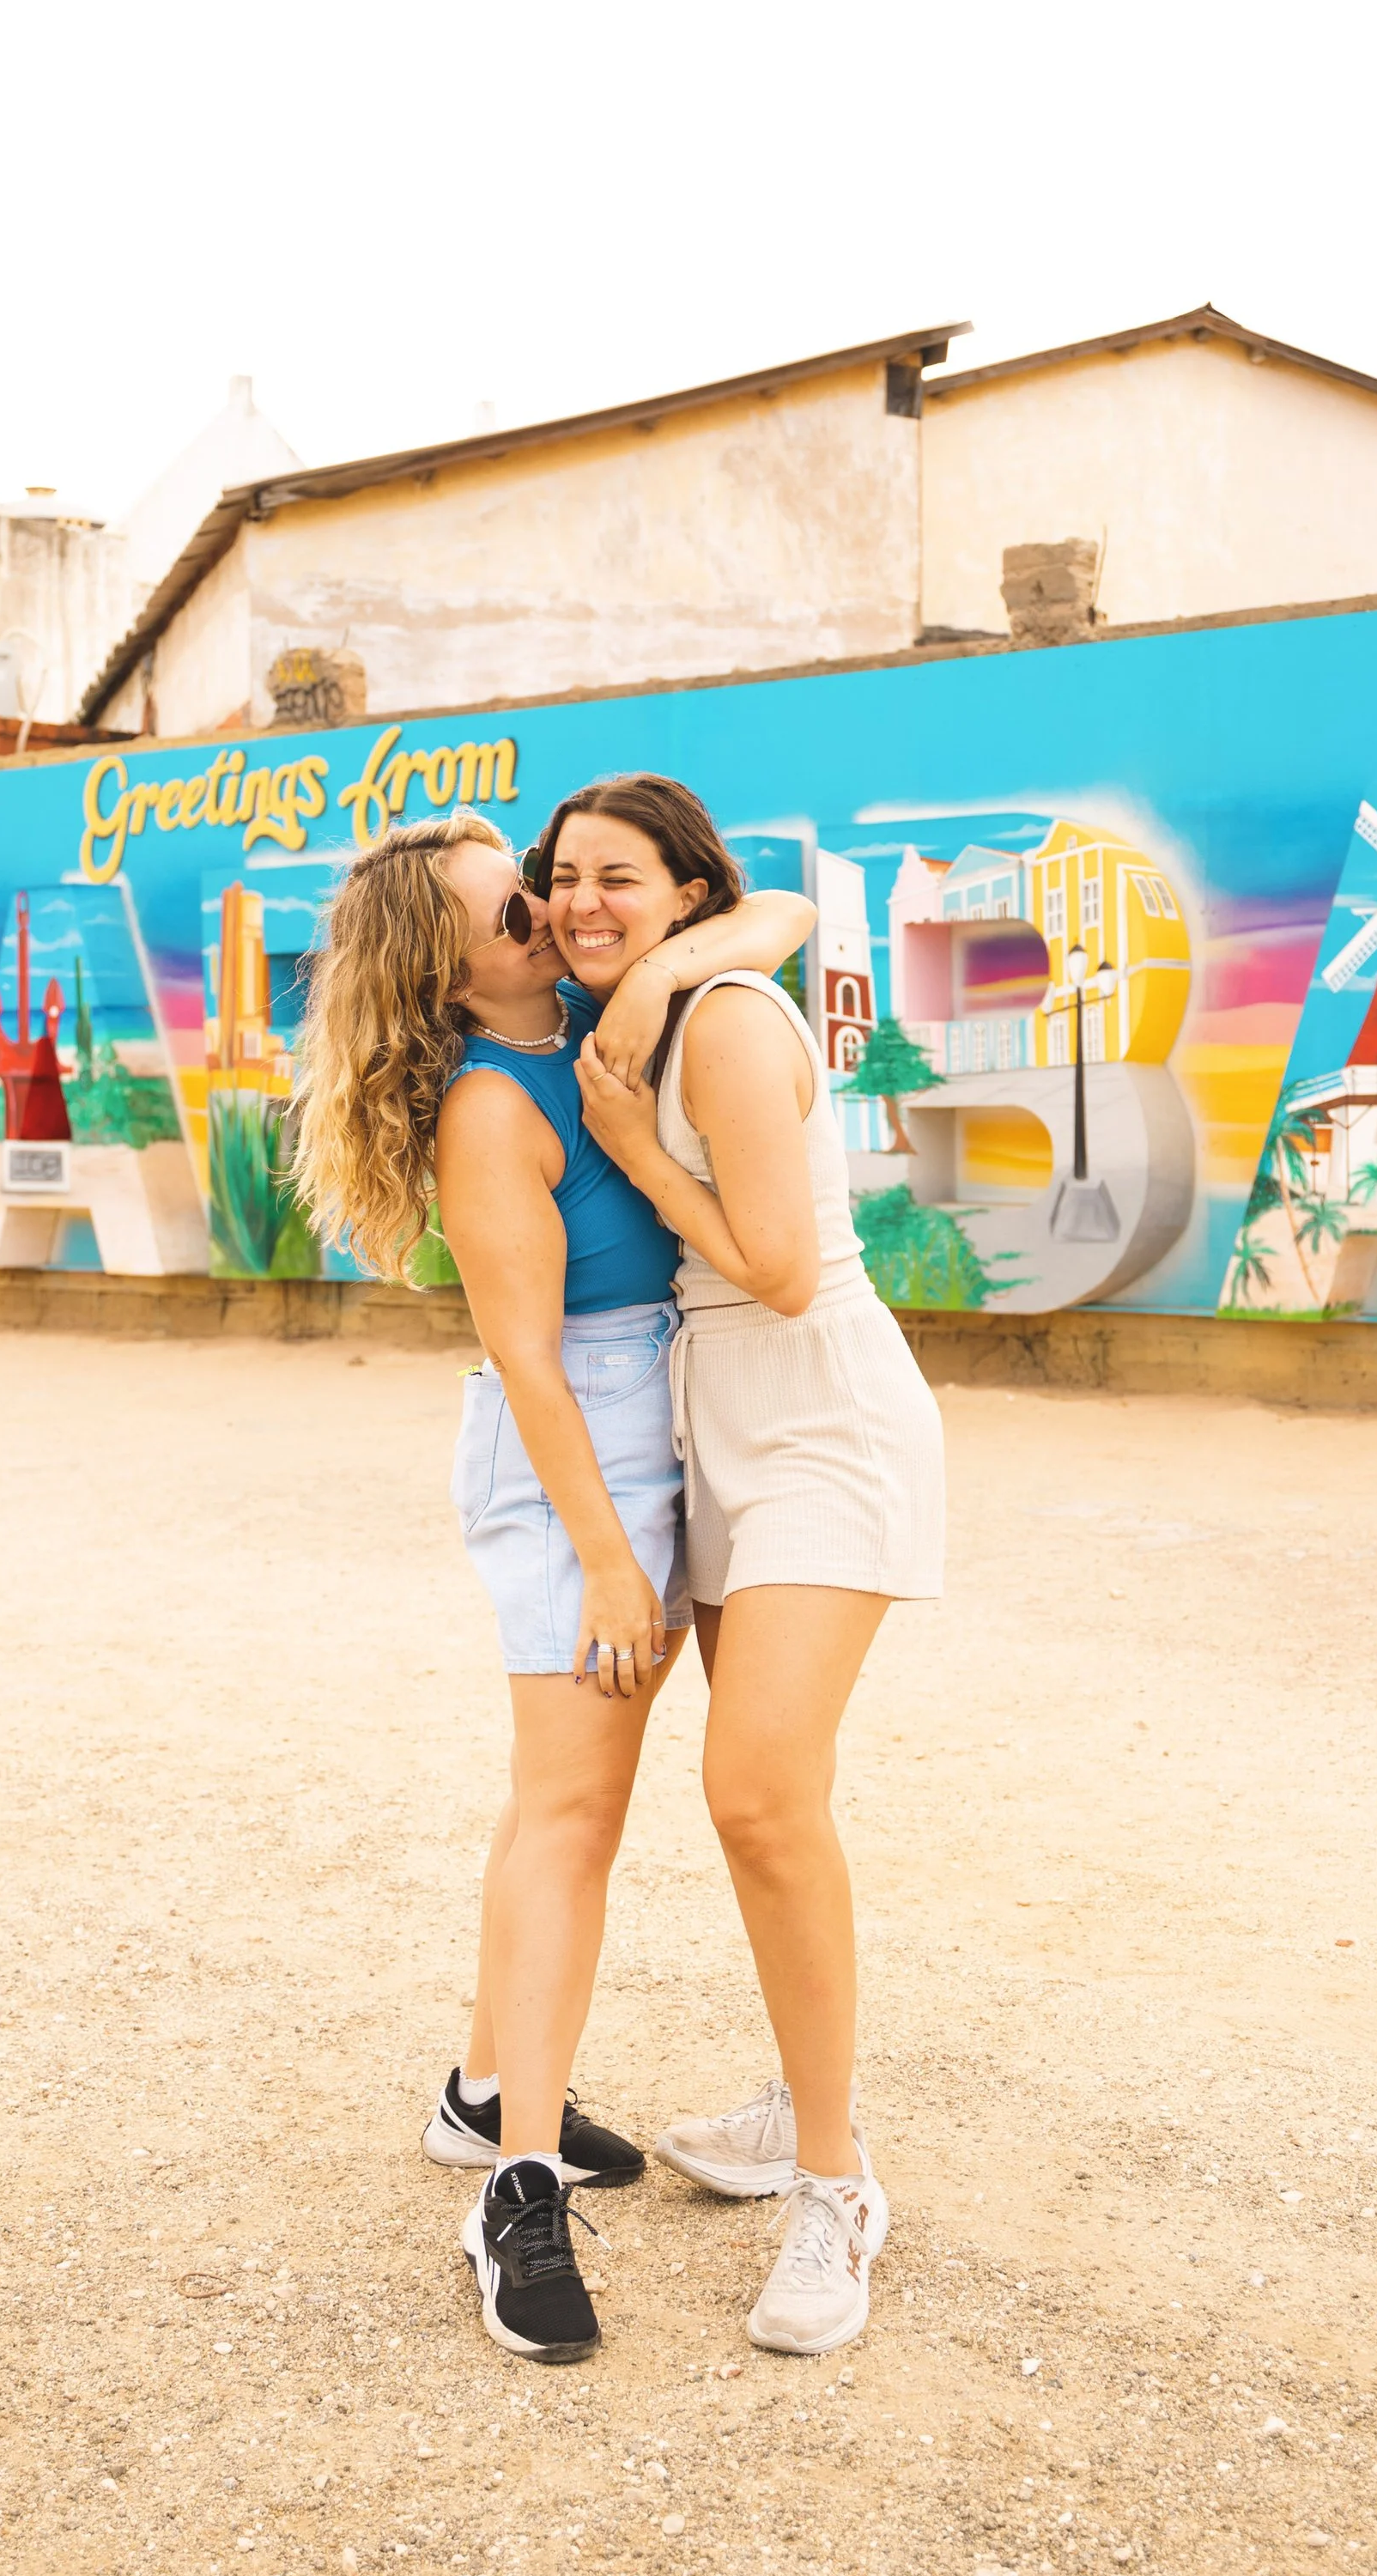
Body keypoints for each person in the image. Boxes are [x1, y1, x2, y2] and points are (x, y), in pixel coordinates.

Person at [288, 808, 814, 2363]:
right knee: (575, 1817)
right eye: (511, 905)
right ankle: (512, 2188)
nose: (548, 911)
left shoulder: (590, 1019)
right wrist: (604, 1559)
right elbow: (523, 1356)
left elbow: (774, 910)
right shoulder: (485, 1105)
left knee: (549, 1802)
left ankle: (479, 2089)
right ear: (449, 967)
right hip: (573, 1452)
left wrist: (649, 990)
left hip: (649, 1413)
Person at [552, 775, 945, 2356]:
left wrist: (637, 1152)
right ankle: (804, 2092)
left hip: (815, 1414)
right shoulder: (654, 1004)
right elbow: (765, 907)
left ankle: (838, 2188)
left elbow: (781, 1271)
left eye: (620, 879)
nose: (584, 902)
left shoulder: (711, 1022)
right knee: (774, 1806)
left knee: (756, 1791)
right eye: (564, 878)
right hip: (716, 1423)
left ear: (686, 892)